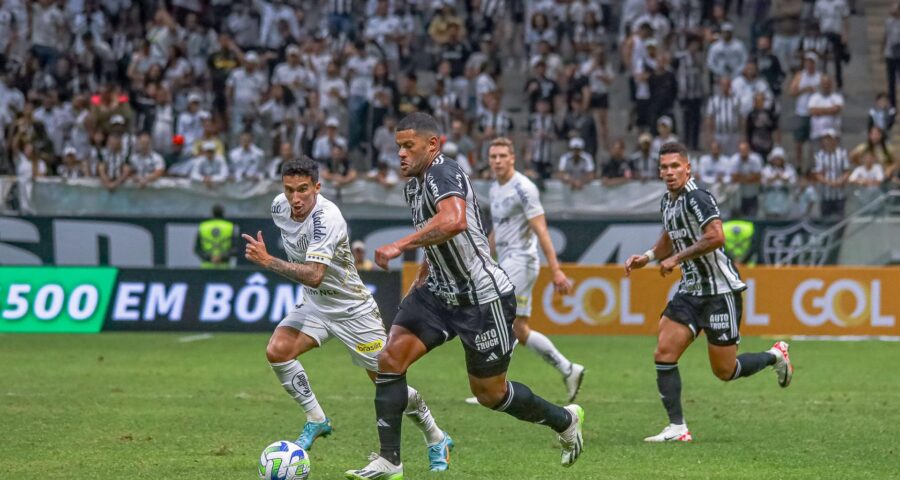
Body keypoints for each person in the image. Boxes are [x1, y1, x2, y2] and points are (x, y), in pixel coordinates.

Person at [346, 113, 584, 479]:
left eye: (409, 147)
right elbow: (437, 239)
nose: (401, 155)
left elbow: (454, 220)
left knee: (491, 394)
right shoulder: (413, 186)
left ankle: (564, 420)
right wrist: (421, 278)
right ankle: (390, 459)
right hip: (438, 295)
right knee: (389, 360)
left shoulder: (444, 171)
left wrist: (398, 245)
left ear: (433, 145)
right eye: (398, 147)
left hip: (482, 299)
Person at [242, 157, 453, 471]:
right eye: (289, 190)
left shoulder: (328, 218)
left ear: (318, 187)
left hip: (353, 311)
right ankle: (317, 418)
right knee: (278, 351)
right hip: (315, 305)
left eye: (303, 190)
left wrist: (268, 261)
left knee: (387, 385)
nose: (295, 198)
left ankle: (436, 437)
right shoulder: (279, 207)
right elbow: (312, 282)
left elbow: (314, 274)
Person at [624, 142, 793, 443]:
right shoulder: (667, 202)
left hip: (720, 292)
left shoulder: (698, 197)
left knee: (725, 371)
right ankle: (677, 427)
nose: (669, 172)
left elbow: (716, 237)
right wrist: (648, 257)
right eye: (664, 167)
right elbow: (669, 237)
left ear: (688, 168)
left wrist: (678, 258)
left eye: (675, 166)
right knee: (664, 351)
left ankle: (774, 356)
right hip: (690, 291)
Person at [459, 137, 583, 406]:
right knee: (520, 329)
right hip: (507, 261)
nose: (498, 161)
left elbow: (541, 228)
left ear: (513, 158)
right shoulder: (495, 189)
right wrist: (481, 255)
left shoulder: (524, 188)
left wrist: (557, 270)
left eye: (503, 156)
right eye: (493, 157)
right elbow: (498, 231)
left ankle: (493, 385)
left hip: (521, 261)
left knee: (491, 315)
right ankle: (568, 369)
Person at [194, 204, 239, 269]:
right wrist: (221, 257)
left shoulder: (203, 226)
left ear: (212, 213)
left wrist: (210, 258)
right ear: (223, 213)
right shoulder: (229, 226)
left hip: (206, 267)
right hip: (224, 268)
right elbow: (235, 249)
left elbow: (197, 249)